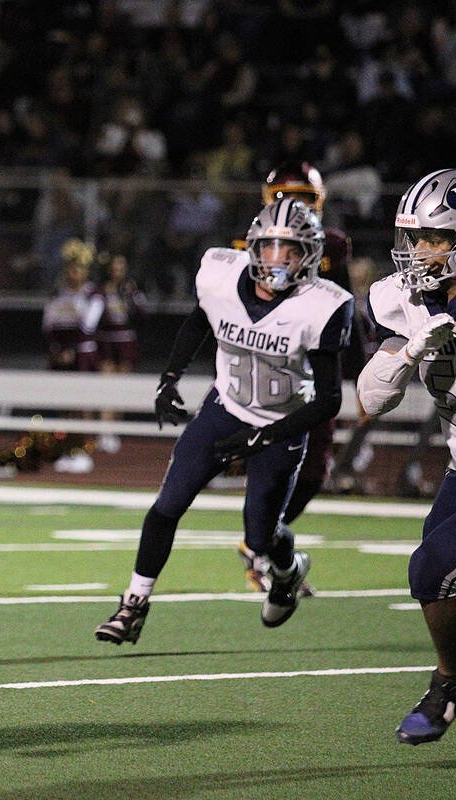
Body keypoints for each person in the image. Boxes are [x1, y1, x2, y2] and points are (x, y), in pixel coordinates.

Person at [95, 198, 353, 645]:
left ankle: (288, 570)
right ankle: (133, 604)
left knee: (261, 537)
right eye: (269, 247)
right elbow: (200, 320)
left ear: (309, 256)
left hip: (282, 425)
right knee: (167, 505)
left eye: (290, 250)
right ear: (253, 247)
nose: (277, 260)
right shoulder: (221, 276)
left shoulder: (323, 305)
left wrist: (264, 437)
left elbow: (329, 400)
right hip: (225, 409)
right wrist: (169, 378)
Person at [355, 168, 456, 746]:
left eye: (435, 237)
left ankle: (449, 685)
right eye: (415, 237)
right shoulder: (409, 300)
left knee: (433, 571)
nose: (420, 250)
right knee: (440, 575)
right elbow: (371, 399)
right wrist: (410, 352)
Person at [237, 161, 354, 591]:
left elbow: (346, 309)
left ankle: (263, 545)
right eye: (287, 198)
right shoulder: (250, 243)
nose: (296, 208)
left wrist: (362, 373)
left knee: (313, 466)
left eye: (304, 200)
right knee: (273, 463)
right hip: (266, 364)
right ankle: (263, 550)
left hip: (313, 366)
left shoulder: (331, 245)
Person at [42, 237, 103, 473]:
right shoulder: (57, 293)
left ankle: (83, 451)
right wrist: (59, 350)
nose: (73, 273)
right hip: (60, 355)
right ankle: (66, 449)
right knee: (63, 406)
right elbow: (49, 324)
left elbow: (87, 325)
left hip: (82, 356)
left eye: (78, 269)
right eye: (70, 268)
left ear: (86, 271)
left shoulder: (92, 295)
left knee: (82, 405)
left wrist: (71, 349)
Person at [94, 252, 147, 454]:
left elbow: (143, 314)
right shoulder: (101, 291)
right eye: (114, 268)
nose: (118, 272)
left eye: (121, 268)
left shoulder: (129, 290)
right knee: (106, 386)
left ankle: (114, 430)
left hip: (125, 341)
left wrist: (134, 295)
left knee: (120, 388)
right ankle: (104, 431)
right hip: (106, 340)